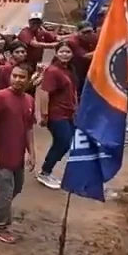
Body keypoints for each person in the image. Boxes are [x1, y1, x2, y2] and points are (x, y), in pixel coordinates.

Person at [0, 64, 36, 244]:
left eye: (22, 77)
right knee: (5, 191)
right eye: (14, 76)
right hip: (0, 155)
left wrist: (32, 152)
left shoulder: (29, 100)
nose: (17, 80)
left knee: (17, 187)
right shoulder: (1, 97)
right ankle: (0, 226)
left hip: (17, 155)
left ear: (29, 79)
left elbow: (29, 128)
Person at [36, 42, 79, 189]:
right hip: (56, 114)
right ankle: (45, 172)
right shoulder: (52, 71)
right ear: (56, 53)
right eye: (62, 51)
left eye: (68, 52)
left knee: (66, 142)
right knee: (62, 142)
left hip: (69, 113)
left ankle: (48, 170)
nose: (65, 54)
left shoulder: (69, 70)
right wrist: (44, 115)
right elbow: (44, 93)